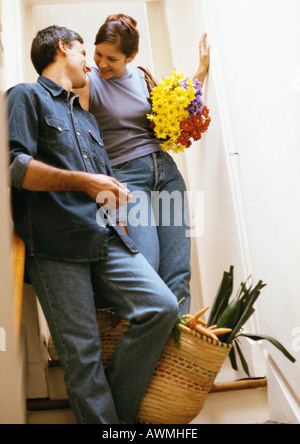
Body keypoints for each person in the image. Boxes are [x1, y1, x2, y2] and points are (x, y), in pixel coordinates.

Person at [7, 25, 179, 424]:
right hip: (55, 246)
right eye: (85, 52)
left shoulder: (86, 119)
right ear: (64, 48)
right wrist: (87, 182)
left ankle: (110, 421)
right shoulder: (25, 96)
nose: (91, 62)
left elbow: (102, 186)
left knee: (161, 307)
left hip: (107, 239)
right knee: (82, 355)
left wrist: (115, 197)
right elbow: (18, 169)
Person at [75, 14, 210, 313]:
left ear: (131, 56)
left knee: (178, 270)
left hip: (166, 173)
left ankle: (174, 354)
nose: (102, 63)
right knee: (146, 267)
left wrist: (200, 70)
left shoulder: (141, 76)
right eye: (98, 53)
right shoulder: (87, 82)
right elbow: (75, 124)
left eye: (112, 58)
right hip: (127, 180)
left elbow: (177, 111)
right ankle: (132, 331)